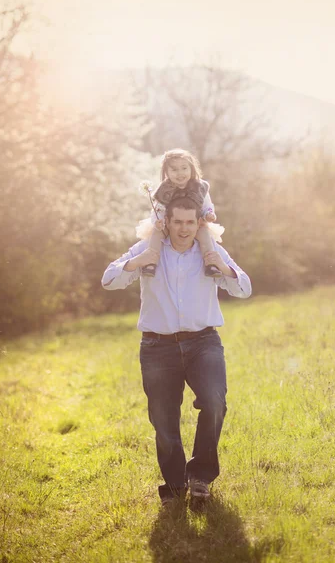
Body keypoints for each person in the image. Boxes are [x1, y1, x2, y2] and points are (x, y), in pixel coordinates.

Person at [102, 196, 252, 506]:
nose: (183, 229)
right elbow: (109, 280)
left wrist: (221, 265)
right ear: (166, 223)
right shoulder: (150, 250)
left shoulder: (210, 251)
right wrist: (137, 262)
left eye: (189, 222)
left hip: (203, 343)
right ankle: (173, 485)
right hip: (158, 347)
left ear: (199, 223)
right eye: (177, 222)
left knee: (214, 402)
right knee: (163, 418)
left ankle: (200, 476)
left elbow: (243, 288)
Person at [136, 148, 224, 278]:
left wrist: (208, 214)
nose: (180, 173)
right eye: (174, 170)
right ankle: (151, 262)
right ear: (166, 172)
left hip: (195, 223)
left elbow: (207, 205)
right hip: (169, 223)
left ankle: (211, 264)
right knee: (156, 234)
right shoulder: (164, 190)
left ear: (191, 169)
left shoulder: (200, 187)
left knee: (204, 234)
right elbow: (157, 209)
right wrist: (158, 222)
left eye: (184, 168)